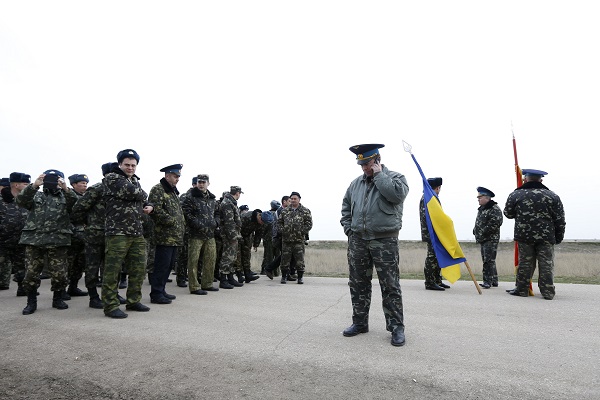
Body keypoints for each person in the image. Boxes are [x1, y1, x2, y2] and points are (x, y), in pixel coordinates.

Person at [340, 143, 409, 347]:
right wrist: (349, 229)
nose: (364, 168)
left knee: (390, 285)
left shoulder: (396, 178)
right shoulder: (355, 184)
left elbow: (396, 195)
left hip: (384, 240)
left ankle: (396, 328)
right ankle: (360, 322)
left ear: (377, 160)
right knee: (358, 283)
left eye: (368, 164)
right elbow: (346, 207)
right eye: (361, 164)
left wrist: (379, 176)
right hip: (358, 240)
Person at [17, 169, 79, 315]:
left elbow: (77, 206)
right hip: (34, 240)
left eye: (56, 179)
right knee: (31, 274)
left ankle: (57, 298)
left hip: (58, 240)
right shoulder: (35, 195)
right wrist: (34, 185)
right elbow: (20, 201)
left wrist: (66, 189)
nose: (52, 181)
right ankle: (31, 302)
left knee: (59, 274)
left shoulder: (66, 196)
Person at [102, 149, 154, 318]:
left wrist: (149, 205)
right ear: (120, 164)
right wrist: (143, 197)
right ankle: (110, 305)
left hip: (136, 231)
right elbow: (136, 193)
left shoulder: (134, 180)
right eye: (127, 165)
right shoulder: (112, 178)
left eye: (133, 165)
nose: (130, 168)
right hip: (117, 231)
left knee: (139, 267)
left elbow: (144, 199)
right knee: (113, 270)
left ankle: (133, 300)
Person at [503, 169, 566, 300]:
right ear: (541, 180)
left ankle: (521, 289)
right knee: (546, 264)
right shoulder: (552, 196)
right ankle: (547, 292)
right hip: (546, 237)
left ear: (525, 179)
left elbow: (508, 213)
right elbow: (559, 219)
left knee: (525, 263)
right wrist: (559, 236)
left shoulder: (516, 195)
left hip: (524, 235)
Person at [148, 164, 186, 304]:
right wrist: (172, 221)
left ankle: (161, 289)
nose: (177, 179)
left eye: (178, 177)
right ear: (167, 175)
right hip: (164, 235)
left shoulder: (172, 191)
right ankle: (156, 293)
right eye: (175, 176)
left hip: (174, 236)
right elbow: (155, 209)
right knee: (161, 265)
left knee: (169, 265)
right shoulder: (158, 189)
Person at [181, 174, 220, 295]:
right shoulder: (190, 197)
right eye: (199, 182)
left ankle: (207, 284)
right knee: (193, 261)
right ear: (196, 183)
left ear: (208, 183)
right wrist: (197, 224)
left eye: (204, 182)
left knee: (210, 259)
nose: (201, 184)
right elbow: (186, 213)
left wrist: (215, 222)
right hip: (195, 234)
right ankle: (194, 286)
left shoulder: (213, 199)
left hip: (210, 234)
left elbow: (218, 213)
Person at [0, 172, 30, 294]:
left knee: (22, 266)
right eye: (25, 183)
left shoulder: (27, 200)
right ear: (16, 185)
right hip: (2, 241)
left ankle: (22, 288)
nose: (28, 186)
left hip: (21, 240)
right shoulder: (1, 200)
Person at [420, 177, 450, 291]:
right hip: (432, 233)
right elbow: (429, 217)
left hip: (436, 232)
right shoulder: (427, 198)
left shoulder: (432, 197)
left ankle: (437, 280)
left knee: (437, 256)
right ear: (437, 188)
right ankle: (429, 282)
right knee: (432, 257)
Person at [277, 191, 312, 284]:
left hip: (298, 240)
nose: (293, 200)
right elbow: (279, 222)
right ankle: (284, 276)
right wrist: (283, 231)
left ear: (299, 199)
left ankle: (300, 277)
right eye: (291, 199)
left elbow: (309, 223)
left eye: (295, 199)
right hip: (286, 240)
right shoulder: (285, 211)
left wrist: (301, 232)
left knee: (299, 260)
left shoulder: (305, 211)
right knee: (285, 260)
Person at [473, 186, 503, 289]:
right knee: (489, 260)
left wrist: (482, 232)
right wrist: (475, 230)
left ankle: (487, 281)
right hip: (483, 238)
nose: (478, 199)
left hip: (490, 239)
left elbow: (495, 223)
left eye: (480, 197)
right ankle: (494, 280)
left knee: (488, 260)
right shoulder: (482, 209)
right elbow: (479, 222)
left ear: (487, 198)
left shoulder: (494, 208)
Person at [66, 173, 89, 298]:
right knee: (68, 263)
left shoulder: (87, 197)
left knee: (80, 263)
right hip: (71, 235)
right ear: (74, 185)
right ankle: (61, 289)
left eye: (86, 183)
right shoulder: (68, 196)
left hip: (84, 235)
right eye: (82, 183)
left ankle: (73, 287)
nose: (85, 185)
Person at [217, 186, 244, 289]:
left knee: (232, 257)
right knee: (227, 257)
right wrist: (233, 236)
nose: (239, 196)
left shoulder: (231, 202)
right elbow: (229, 222)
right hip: (229, 235)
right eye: (239, 193)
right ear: (237, 193)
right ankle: (223, 279)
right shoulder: (227, 203)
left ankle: (230, 277)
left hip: (233, 234)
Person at [236, 208, 266, 283]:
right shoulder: (246, 217)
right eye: (262, 222)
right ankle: (239, 275)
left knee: (246, 255)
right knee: (238, 256)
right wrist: (240, 239)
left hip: (247, 236)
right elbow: (237, 228)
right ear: (259, 217)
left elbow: (259, 234)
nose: (262, 224)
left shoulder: (262, 221)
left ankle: (247, 275)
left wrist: (255, 244)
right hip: (237, 235)